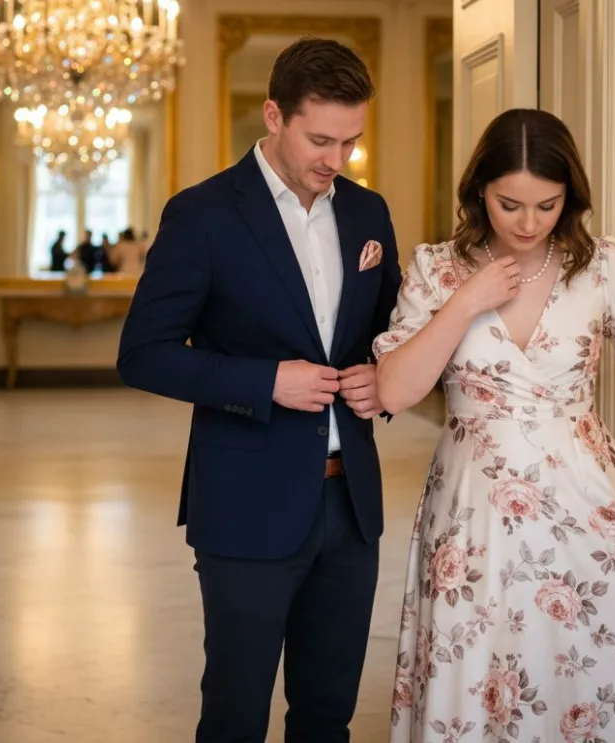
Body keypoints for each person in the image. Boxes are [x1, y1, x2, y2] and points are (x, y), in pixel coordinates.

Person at [373, 108, 615, 742]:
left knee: (579, 673)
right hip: (476, 513)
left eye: (548, 205)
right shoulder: (436, 269)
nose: (529, 224)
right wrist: (466, 301)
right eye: (510, 205)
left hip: (586, 501)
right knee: (483, 672)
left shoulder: (601, 265)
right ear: (479, 190)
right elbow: (395, 389)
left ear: (570, 198)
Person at [116, 37, 402, 743]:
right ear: (274, 116)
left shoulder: (368, 214)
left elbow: (389, 333)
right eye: (321, 140)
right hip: (245, 503)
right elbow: (143, 355)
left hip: (351, 506)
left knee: (328, 716)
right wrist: (266, 380)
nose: (337, 160)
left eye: (351, 141)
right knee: (236, 716)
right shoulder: (204, 214)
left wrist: (383, 377)